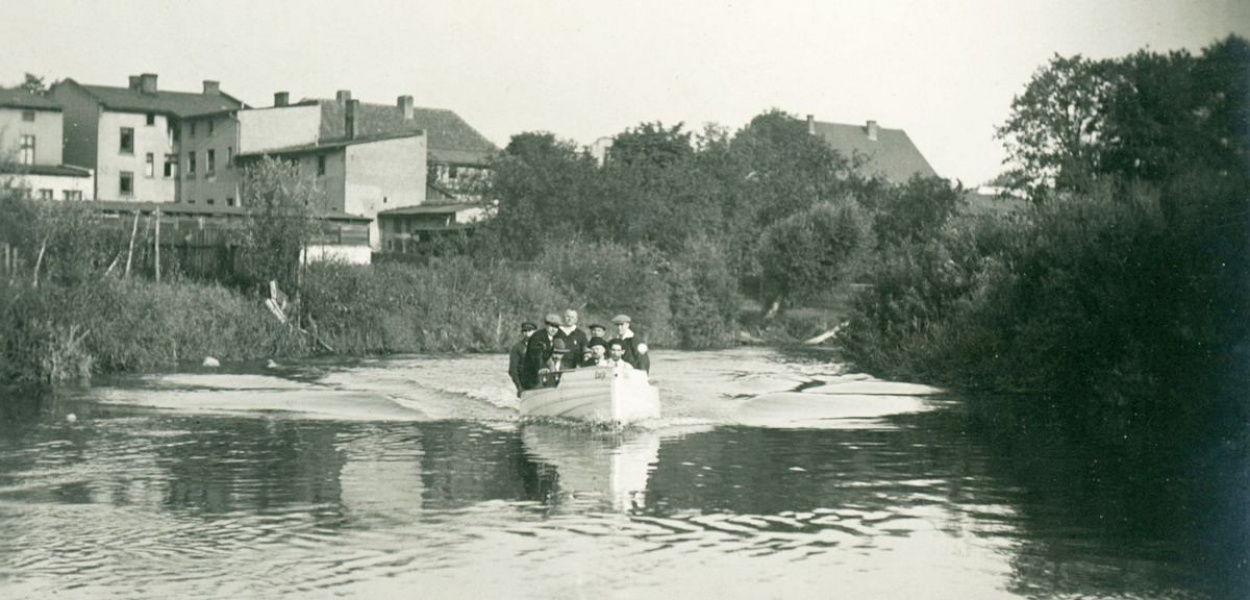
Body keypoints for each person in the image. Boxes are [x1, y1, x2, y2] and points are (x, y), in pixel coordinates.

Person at [522, 313, 561, 390]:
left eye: (556, 327)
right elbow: (536, 354)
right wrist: (541, 367)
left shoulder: (553, 337)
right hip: (532, 377)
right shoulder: (537, 337)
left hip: (542, 376)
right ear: (546, 325)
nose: (554, 329)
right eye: (552, 326)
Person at [508, 321, 537, 395]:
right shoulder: (517, 348)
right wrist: (519, 387)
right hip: (525, 383)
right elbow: (513, 370)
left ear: (535, 332)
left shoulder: (541, 346)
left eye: (529, 331)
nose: (527, 333)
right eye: (525, 331)